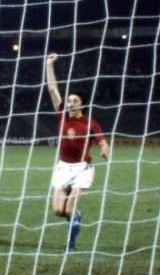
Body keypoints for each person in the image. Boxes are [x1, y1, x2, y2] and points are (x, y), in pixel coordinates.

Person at [45, 53, 110, 251]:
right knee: (58, 210)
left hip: (82, 169)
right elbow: (52, 89)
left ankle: (71, 244)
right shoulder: (62, 116)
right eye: (69, 100)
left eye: (74, 100)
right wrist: (49, 65)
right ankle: (76, 218)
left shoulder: (90, 123)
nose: (70, 103)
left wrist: (105, 150)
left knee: (69, 208)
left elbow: (102, 141)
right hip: (62, 168)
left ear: (81, 103)